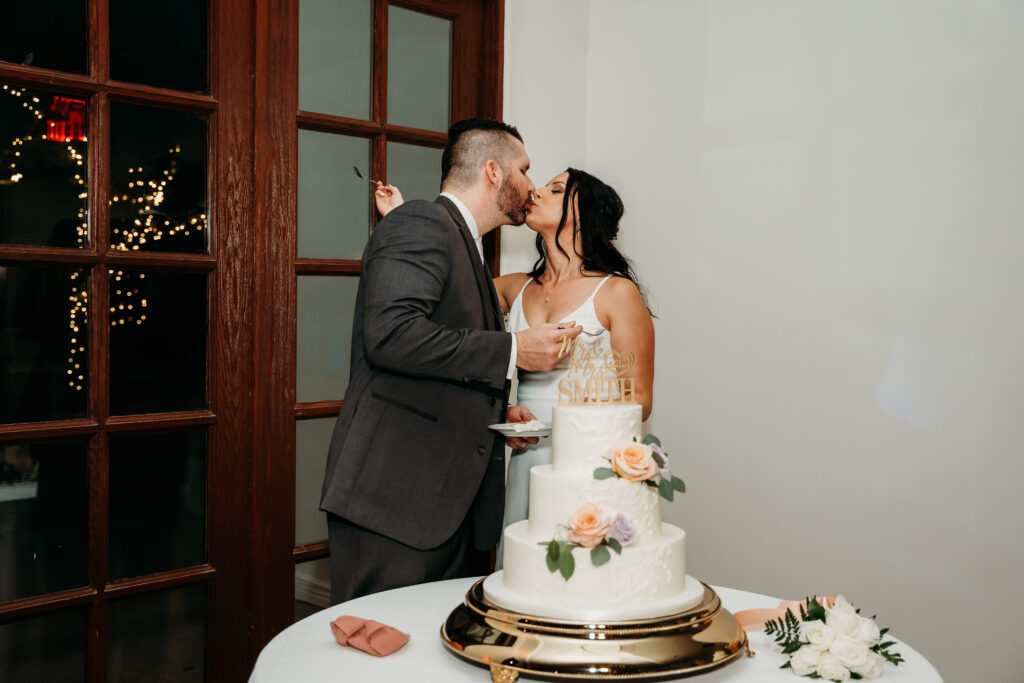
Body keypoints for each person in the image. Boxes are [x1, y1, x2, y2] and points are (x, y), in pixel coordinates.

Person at [320, 119, 583, 604]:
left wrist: (497, 413)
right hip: (396, 500)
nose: (529, 184)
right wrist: (513, 349)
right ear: (492, 172)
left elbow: (439, 358)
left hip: (449, 507)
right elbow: (391, 335)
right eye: (523, 170)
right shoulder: (420, 221)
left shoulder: (469, 247)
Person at [374, 168, 655, 563]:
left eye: (556, 189)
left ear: (584, 213)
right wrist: (403, 220)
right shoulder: (513, 287)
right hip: (526, 455)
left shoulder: (616, 293)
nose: (536, 191)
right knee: (524, 566)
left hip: (587, 459)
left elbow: (640, 400)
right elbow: (443, 303)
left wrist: (577, 417)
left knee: (580, 570)